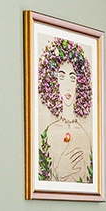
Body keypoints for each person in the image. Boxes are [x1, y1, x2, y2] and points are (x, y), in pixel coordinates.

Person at [36, 39, 95, 186]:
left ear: (80, 83)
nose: (67, 86)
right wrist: (59, 172)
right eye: (61, 77)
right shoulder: (49, 133)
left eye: (72, 78)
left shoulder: (85, 136)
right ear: (53, 81)